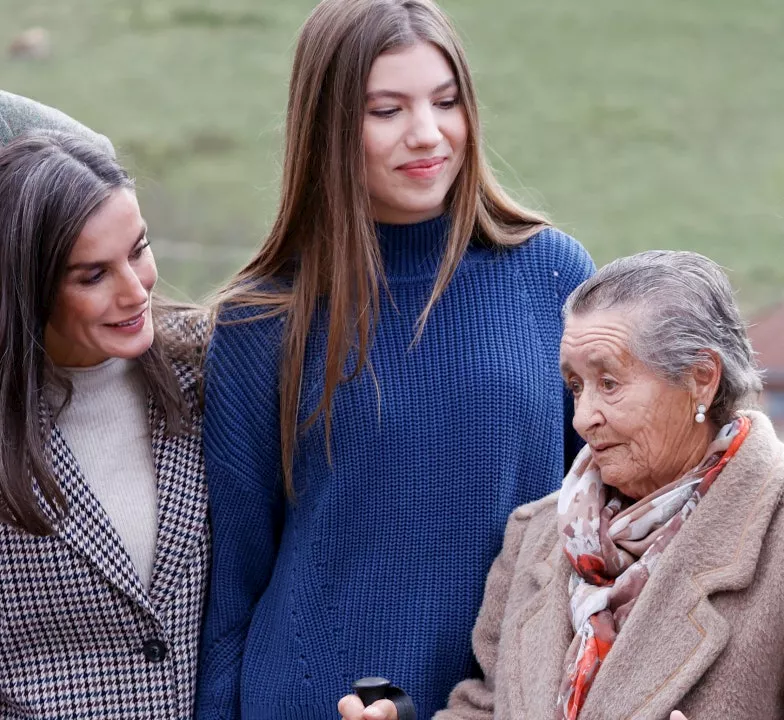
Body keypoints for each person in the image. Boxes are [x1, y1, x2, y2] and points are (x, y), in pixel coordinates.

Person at [194, 0, 594, 716]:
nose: (427, 134)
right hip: (324, 702)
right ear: (327, 126)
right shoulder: (262, 319)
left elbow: (598, 510)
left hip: (513, 698)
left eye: (446, 102)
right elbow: (234, 588)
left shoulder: (553, 276)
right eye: (386, 110)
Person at [338, 251, 784, 720]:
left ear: (701, 380)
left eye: (610, 382)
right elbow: (488, 707)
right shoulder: (537, 535)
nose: (582, 418)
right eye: (576, 386)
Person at [0, 130, 208, 718]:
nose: (134, 288)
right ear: (29, 289)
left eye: (138, 250)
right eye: (92, 276)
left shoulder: (212, 366)